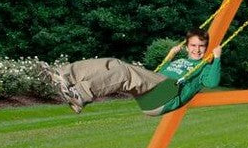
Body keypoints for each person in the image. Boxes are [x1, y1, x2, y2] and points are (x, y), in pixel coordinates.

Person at [46, 29, 222, 115]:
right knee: (115, 64)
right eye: (193, 45)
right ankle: (63, 74)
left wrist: (217, 58)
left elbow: (212, 82)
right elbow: (158, 73)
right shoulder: (180, 60)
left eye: (201, 46)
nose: (197, 50)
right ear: (187, 45)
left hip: (167, 96)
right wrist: (170, 57)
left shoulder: (204, 67)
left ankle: (81, 94)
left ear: (206, 47)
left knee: (125, 73)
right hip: (154, 92)